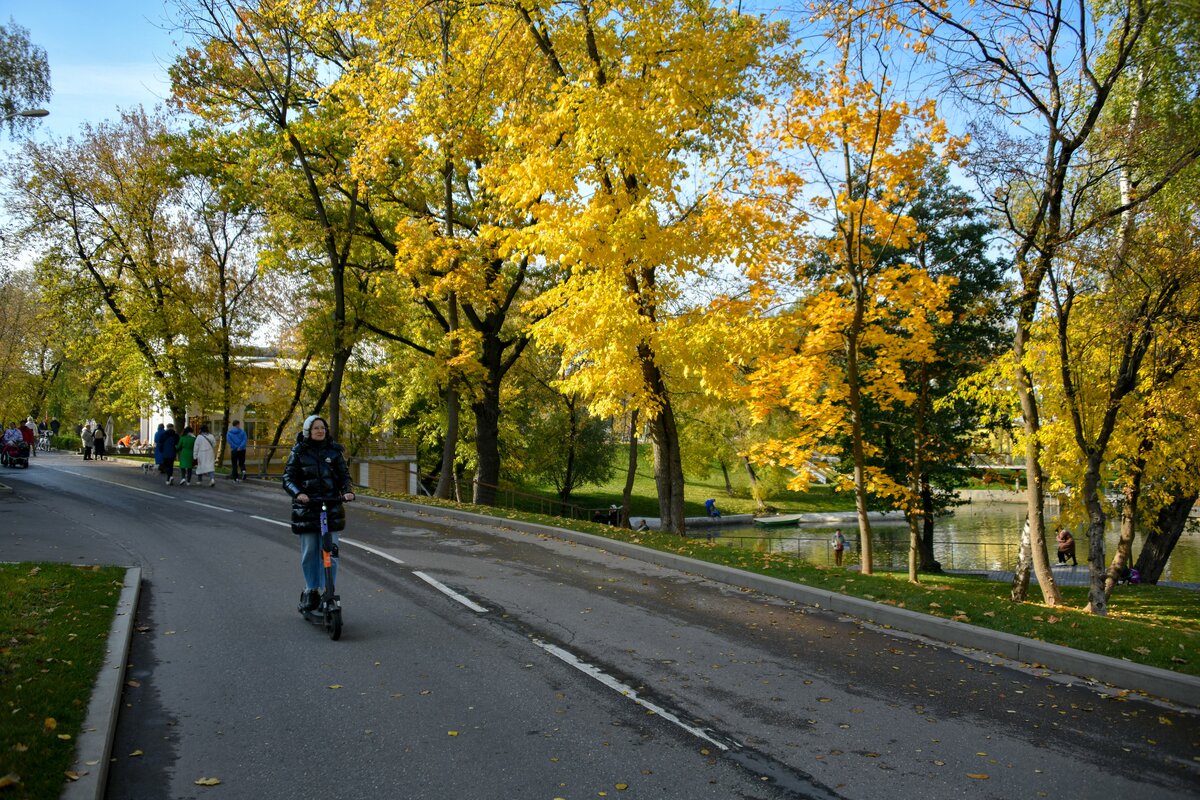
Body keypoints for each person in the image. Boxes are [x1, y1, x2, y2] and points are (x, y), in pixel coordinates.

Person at [282, 415, 355, 614]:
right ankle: (311, 590)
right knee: (310, 552)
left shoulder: (334, 451)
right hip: (307, 508)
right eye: (316, 428)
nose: (320, 431)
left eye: (322, 427)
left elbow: (344, 476)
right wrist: (299, 493)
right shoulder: (298, 452)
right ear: (308, 431)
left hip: (330, 507)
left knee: (331, 551)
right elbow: (288, 478)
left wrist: (347, 491)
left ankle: (327, 590)